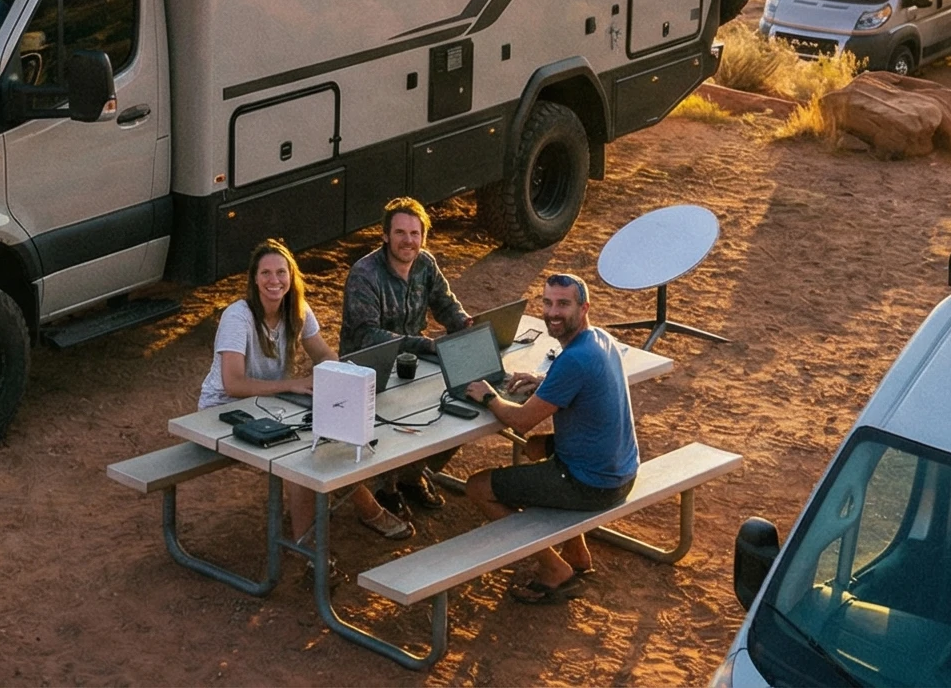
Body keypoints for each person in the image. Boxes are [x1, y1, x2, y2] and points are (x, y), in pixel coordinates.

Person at [199, 238, 412, 541]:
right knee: (300, 461)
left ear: (291, 275)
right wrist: (293, 384)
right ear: (254, 279)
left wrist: (337, 377)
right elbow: (232, 384)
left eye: (281, 272)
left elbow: (324, 355)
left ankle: (362, 512)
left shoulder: (297, 309)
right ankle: (312, 548)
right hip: (222, 410)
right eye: (266, 274)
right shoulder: (238, 316)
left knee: (332, 434)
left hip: (269, 403)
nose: (274, 281)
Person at [460, 273, 638, 605]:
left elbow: (521, 421)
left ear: (584, 308)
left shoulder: (573, 360)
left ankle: (554, 568)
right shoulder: (600, 340)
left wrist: (487, 396)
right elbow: (578, 381)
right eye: (548, 302)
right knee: (538, 449)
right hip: (619, 469)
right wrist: (544, 379)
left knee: (477, 486)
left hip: (592, 484)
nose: (553, 312)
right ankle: (577, 552)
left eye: (563, 304)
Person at [340, 197, 473, 513]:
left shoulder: (426, 264)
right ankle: (386, 488)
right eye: (400, 233)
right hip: (368, 370)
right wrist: (426, 345)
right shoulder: (364, 274)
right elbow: (367, 336)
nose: (408, 241)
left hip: (414, 364)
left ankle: (412, 477)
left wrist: (466, 325)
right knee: (397, 427)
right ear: (385, 235)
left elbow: (445, 304)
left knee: (463, 408)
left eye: (415, 234)